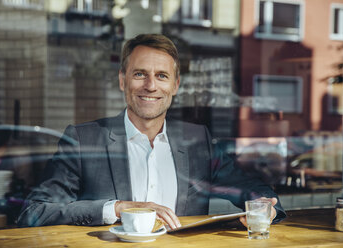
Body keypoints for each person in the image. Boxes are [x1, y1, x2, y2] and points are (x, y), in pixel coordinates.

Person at [18, 34, 286, 229]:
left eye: (161, 76)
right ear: (122, 80)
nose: (150, 86)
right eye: (139, 75)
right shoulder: (83, 139)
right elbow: (35, 212)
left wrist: (264, 207)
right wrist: (118, 208)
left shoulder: (197, 140)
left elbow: (248, 188)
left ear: (175, 85)